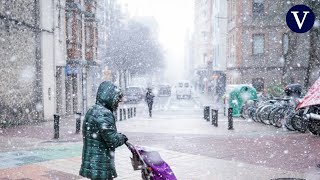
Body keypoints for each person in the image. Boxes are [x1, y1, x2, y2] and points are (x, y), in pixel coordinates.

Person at [79, 81, 128, 180]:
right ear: (110, 97)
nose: (118, 103)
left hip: (92, 162)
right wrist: (123, 137)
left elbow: (102, 134)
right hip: (101, 164)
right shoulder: (104, 114)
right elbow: (112, 141)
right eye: (117, 100)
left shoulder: (92, 110)